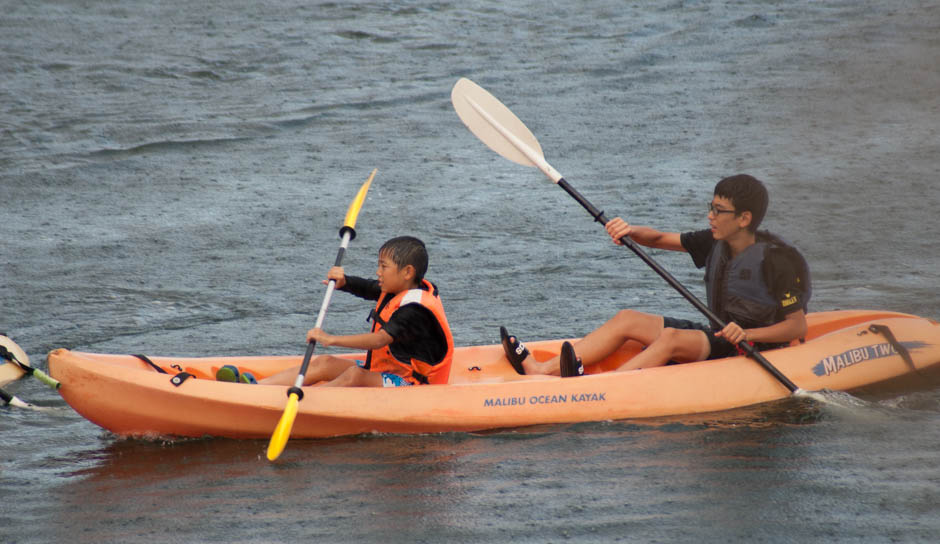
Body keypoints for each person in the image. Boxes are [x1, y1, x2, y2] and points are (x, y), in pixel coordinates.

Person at [501, 174, 811, 377]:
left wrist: (748, 335)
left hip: (754, 347)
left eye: (719, 211)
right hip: (719, 334)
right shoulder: (715, 241)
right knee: (627, 319)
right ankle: (540, 371)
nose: (710, 216)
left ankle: (602, 387)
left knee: (671, 338)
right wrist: (630, 230)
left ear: (744, 218)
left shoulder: (777, 260)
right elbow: (661, 239)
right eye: (711, 207)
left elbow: (796, 326)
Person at [222, 236, 454, 388]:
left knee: (354, 376)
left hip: (413, 383)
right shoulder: (398, 288)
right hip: (387, 368)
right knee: (325, 363)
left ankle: (302, 402)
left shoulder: (414, 309)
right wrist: (344, 281)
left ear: (407, 272)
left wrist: (330, 338)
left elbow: (379, 339)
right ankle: (257, 388)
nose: (378, 272)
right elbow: (368, 288)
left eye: (384, 267)